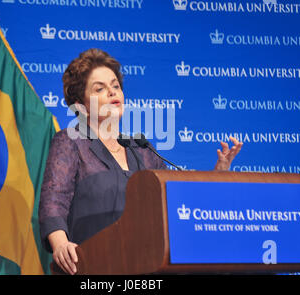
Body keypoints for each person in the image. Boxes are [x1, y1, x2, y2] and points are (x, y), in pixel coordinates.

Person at [38, 48, 243, 275]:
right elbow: (53, 201)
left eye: (115, 86)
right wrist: (61, 245)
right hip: (93, 268)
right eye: (100, 89)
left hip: (147, 269)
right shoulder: (70, 142)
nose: (112, 93)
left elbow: (175, 201)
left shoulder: (141, 149)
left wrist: (219, 172)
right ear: (81, 104)